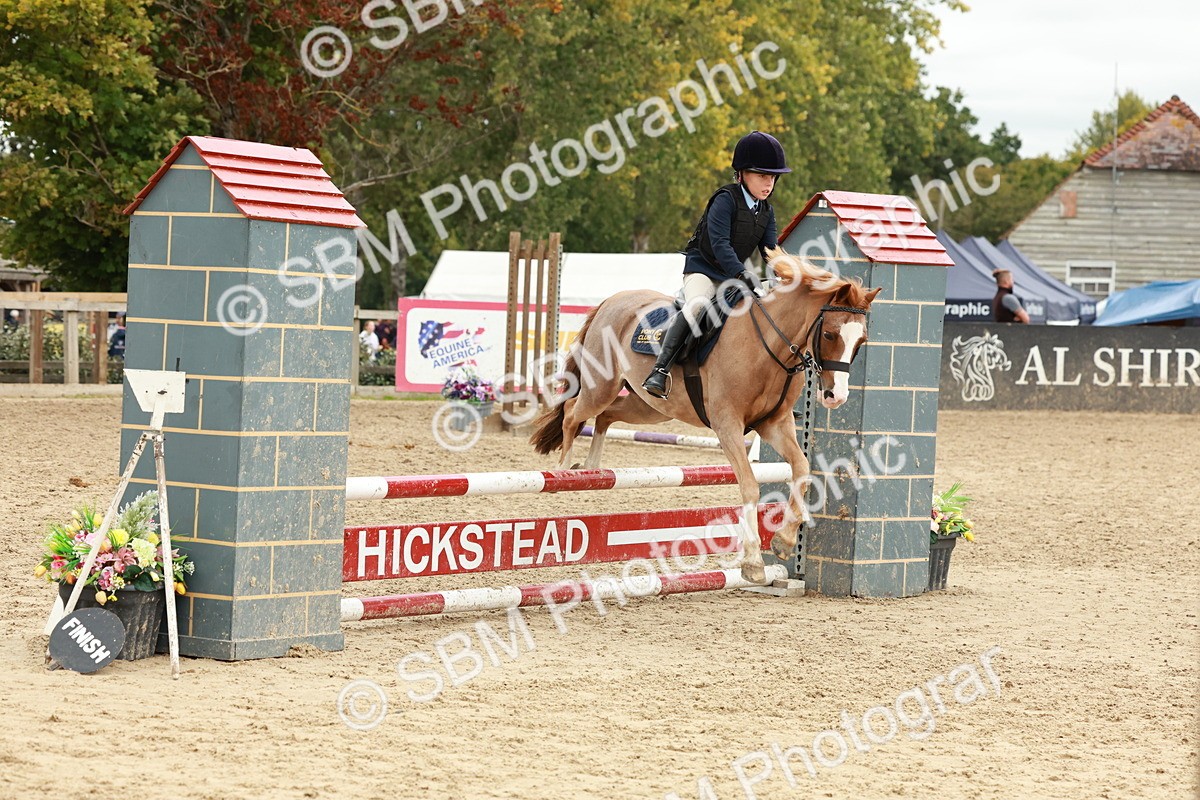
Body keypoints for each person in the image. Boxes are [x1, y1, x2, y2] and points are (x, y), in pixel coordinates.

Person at [641, 130, 789, 398]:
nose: (769, 183)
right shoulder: (725, 200)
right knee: (698, 305)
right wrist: (743, 273)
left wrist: (786, 275)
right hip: (703, 270)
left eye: (773, 177)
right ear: (742, 174)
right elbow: (720, 245)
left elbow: (770, 250)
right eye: (762, 176)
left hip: (732, 277)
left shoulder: (766, 211)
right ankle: (660, 371)